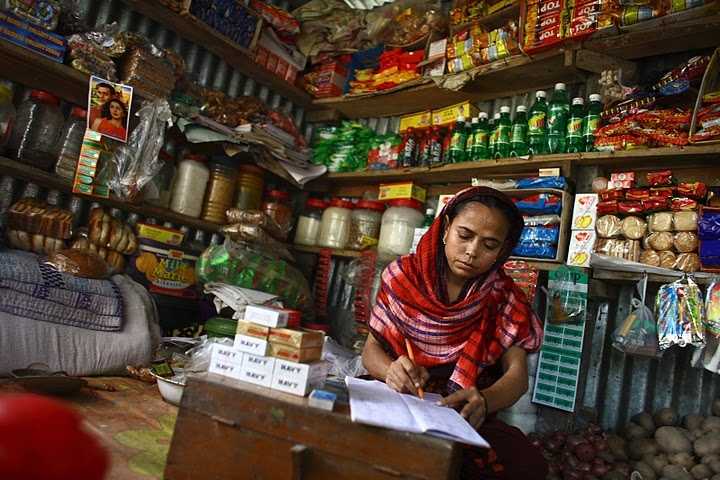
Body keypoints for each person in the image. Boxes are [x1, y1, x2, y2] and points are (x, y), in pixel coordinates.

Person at [362, 186, 548, 479]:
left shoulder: (504, 297)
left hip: (464, 413)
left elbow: (517, 377)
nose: (472, 251)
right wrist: (390, 371)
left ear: (503, 250)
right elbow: (370, 351)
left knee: (526, 465)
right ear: (446, 228)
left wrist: (484, 400)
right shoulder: (402, 277)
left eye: (489, 245)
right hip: (399, 397)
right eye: (464, 235)